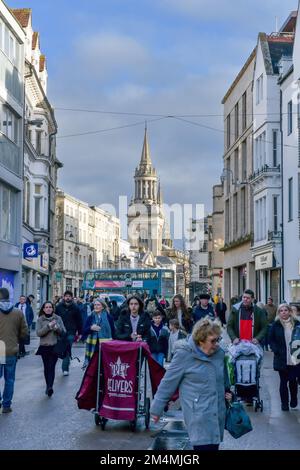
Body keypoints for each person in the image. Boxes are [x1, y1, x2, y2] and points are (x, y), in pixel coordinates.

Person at [150, 317, 232, 451]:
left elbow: (224, 380)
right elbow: (168, 383)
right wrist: (156, 409)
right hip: (198, 414)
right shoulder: (184, 355)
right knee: (204, 447)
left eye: (218, 339)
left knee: (213, 446)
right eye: (213, 341)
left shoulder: (219, 354)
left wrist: (229, 392)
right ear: (201, 341)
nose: (216, 344)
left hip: (217, 413)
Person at [0, 288, 28, 413]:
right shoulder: (18, 312)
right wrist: (16, 339)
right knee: (9, 379)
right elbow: (24, 332)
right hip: (11, 349)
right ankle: (6, 405)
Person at [269, 304, 300, 411]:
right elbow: (271, 340)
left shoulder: (297, 324)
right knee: (283, 381)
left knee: (292, 381)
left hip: (295, 357)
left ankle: (294, 399)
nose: (283, 312)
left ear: (289, 311)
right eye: (281, 310)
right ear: (278, 313)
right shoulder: (275, 325)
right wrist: (275, 350)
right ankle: (284, 404)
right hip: (281, 358)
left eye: (285, 310)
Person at [36, 301, 66, 397]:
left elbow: (63, 332)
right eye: (46, 307)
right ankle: (47, 386)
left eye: (50, 307)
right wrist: (48, 327)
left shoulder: (58, 318)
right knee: (46, 367)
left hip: (55, 346)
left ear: (53, 308)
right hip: (44, 346)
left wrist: (57, 328)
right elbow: (38, 333)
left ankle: (50, 387)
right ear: (43, 309)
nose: (48, 309)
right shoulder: (40, 319)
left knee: (51, 367)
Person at [55, 291, 83, 376]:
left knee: (67, 349)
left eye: (69, 296)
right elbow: (55, 318)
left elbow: (79, 320)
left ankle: (65, 368)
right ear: (63, 297)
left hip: (71, 331)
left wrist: (80, 332)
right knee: (60, 349)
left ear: (71, 297)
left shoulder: (75, 307)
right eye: (66, 296)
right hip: (60, 331)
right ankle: (65, 361)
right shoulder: (59, 307)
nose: (67, 297)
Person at [81, 299, 115, 367]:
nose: (96, 306)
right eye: (95, 305)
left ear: (102, 307)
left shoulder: (109, 317)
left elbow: (113, 331)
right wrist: (91, 328)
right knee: (94, 366)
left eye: (98, 305)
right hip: (94, 345)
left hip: (106, 345)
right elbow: (84, 330)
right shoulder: (91, 317)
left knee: (104, 366)